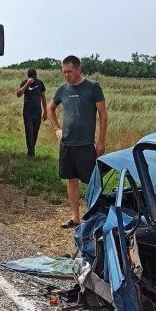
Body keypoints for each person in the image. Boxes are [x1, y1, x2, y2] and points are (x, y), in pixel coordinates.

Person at [48, 56, 108, 228]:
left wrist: (101, 141)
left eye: (69, 71)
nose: (66, 75)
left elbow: (103, 115)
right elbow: (51, 108)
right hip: (67, 144)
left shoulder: (93, 87)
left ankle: (95, 217)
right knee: (71, 180)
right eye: (63, 72)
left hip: (86, 144)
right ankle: (75, 218)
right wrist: (56, 128)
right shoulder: (62, 89)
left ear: (78, 70)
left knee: (92, 182)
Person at [16, 68, 47, 156]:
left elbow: (43, 98)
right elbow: (18, 94)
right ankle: (31, 154)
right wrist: (27, 84)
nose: (33, 78)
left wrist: (45, 112)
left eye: (34, 76)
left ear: (36, 75)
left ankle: (31, 151)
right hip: (27, 111)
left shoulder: (40, 83)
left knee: (35, 132)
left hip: (37, 111)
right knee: (29, 131)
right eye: (31, 76)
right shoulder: (24, 82)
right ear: (28, 76)